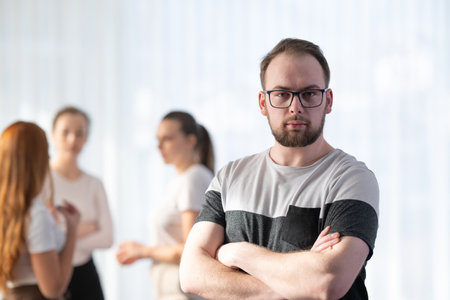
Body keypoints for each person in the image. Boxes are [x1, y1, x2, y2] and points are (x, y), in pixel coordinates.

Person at [179, 38, 379, 300]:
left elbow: (327, 282)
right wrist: (299, 280)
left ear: (328, 100)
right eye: (282, 94)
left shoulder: (351, 178)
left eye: (309, 94)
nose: (295, 107)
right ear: (263, 103)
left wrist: (237, 253)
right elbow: (191, 274)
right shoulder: (230, 178)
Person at [116, 111, 214, 300]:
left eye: (167, 139)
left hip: (181, 288)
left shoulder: (193, 178)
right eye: (157, 139)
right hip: (169, 286)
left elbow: (191, 250)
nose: (159, 146)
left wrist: (144, 251)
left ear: (190, 141)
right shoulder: (181, 180)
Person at [0, 121, 80, 300]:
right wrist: (72, 231)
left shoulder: (10, 211)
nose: (49, 159)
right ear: (37, 161)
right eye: (46, 153)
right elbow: (52, 289)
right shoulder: (36, 215)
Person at [43, 106, 114, 300]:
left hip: (86, 275)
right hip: (50, 274)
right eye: (65, 132)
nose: (72, 139)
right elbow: (40, 233)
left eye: (79, 133)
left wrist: (65, 233)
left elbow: (107, 238)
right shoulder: (42, 180)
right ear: (53, 135)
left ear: (86, 138)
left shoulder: (94, 184)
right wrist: (83, 228)